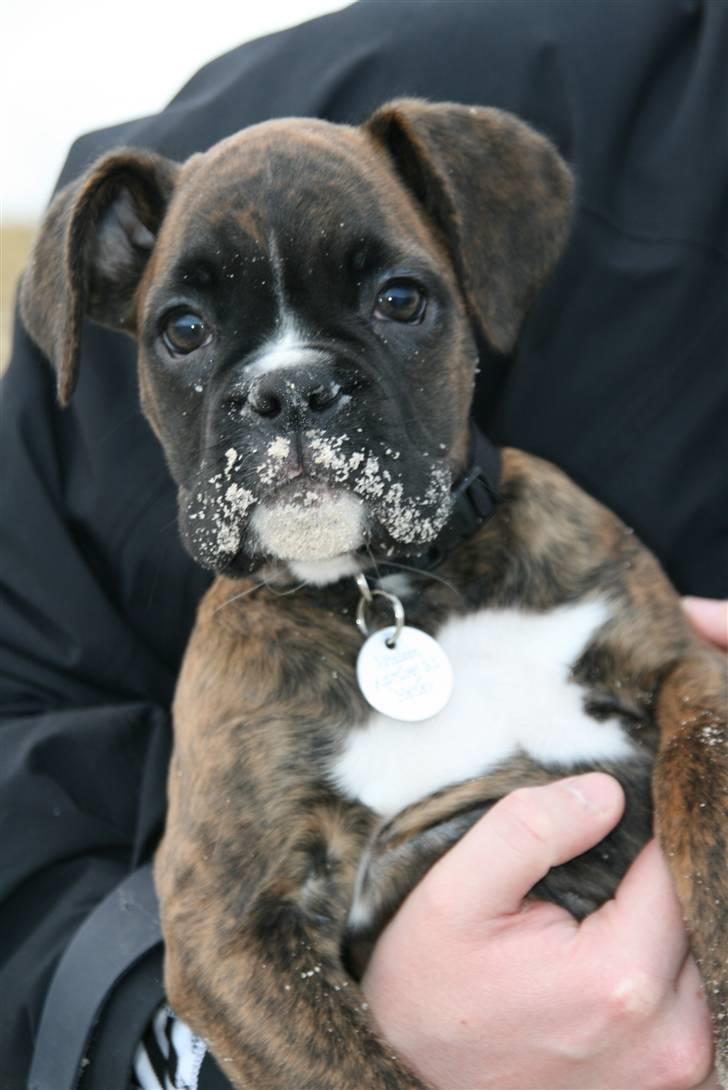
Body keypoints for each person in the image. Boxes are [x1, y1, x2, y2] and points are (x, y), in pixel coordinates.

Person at [1, 2, 726, 1088]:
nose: (290, 391)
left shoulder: (562, 531)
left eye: (392, 301)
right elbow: (218, 941)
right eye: (190, 332)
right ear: (107, 299)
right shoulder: (233, 681)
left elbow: (690, 696)